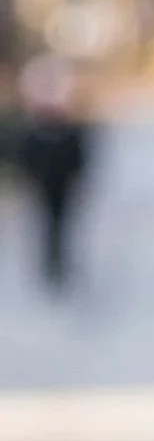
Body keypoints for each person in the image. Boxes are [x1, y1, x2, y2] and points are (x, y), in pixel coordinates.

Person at [15, 53, 93, 292]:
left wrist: (79, 177)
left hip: (63, 183)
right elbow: (27, 157)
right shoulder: (36, 132)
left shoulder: (69, 131)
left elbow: (78, 156)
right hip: (44, 183)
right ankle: (50, 262)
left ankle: (59, 262)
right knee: (47, 224)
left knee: (61, 224)